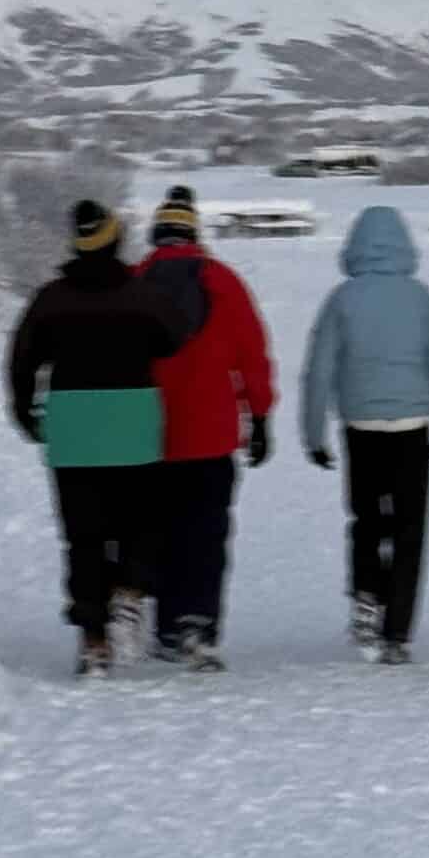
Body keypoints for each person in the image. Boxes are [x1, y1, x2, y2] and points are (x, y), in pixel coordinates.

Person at [8, 199, 185, 676]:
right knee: (140, 524)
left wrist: (25, 412)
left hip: (73, 431)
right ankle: (129, 589)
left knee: (83, 537)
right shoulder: (141, 294)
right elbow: (175, 338)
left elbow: (22, 359)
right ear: (114, 240)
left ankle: (94, 642)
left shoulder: (51, 298)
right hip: (133, 426)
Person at [299, 204, 429, 664]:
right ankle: (398, 633)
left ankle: (366, 600)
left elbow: (319, 370)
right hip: (413, 427)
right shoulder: (422, 299)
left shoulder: (342, 299)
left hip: (361, 427)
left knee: (367, 520)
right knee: (411, 528)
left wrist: (313, 434)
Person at [137, 185, 276, 669]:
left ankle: (166, 629)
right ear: (195, 233)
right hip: (212, 435)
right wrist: (260, 417)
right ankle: (201, 627)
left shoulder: (135, 282)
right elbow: (252, 356)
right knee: (207, 534)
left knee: (159, 532)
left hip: (148, 435)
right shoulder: (225, 282)